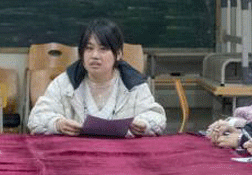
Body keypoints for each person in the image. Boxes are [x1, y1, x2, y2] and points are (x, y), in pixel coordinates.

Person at [27, 19, 166, 137]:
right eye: (89, 48)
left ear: (118, 54)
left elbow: (157, 117)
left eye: (103, 49)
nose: (94, 56)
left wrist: (145, 124)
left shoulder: (133, 83)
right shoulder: (66, 82)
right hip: (77, 153)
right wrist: (57, 124)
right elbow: (35, 118)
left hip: (121, 154)